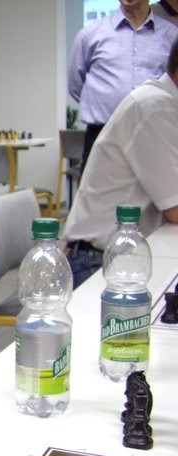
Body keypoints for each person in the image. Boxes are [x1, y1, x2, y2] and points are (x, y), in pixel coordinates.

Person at [63, 38, 178, 287]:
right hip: (101, 263)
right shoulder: (154, 107)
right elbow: (175, 210)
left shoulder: (165, 104)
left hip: (125, 255)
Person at [69, 0, 178, 177]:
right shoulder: (90, 34)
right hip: (102, 134)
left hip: (154, 135)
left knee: (157, 194)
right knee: (97, 194)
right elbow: (76, 85)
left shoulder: (172, 36)